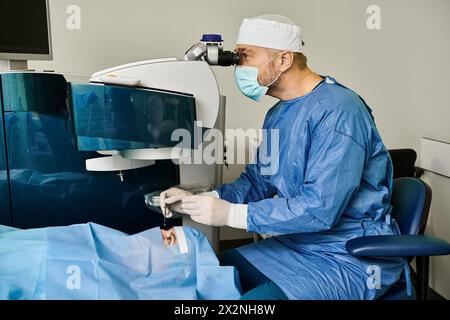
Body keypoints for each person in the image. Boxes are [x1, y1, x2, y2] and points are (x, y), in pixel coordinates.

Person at [160, 14, 406, 300]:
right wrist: (203, 200)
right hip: (297, 244)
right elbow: (257, 183)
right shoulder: (277, 114)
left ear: (284, 60)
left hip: (348, 255)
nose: (238, 65)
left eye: (245, 56)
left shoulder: (340, 111)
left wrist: (230, 214)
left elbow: (320, 209)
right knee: (208, 274)